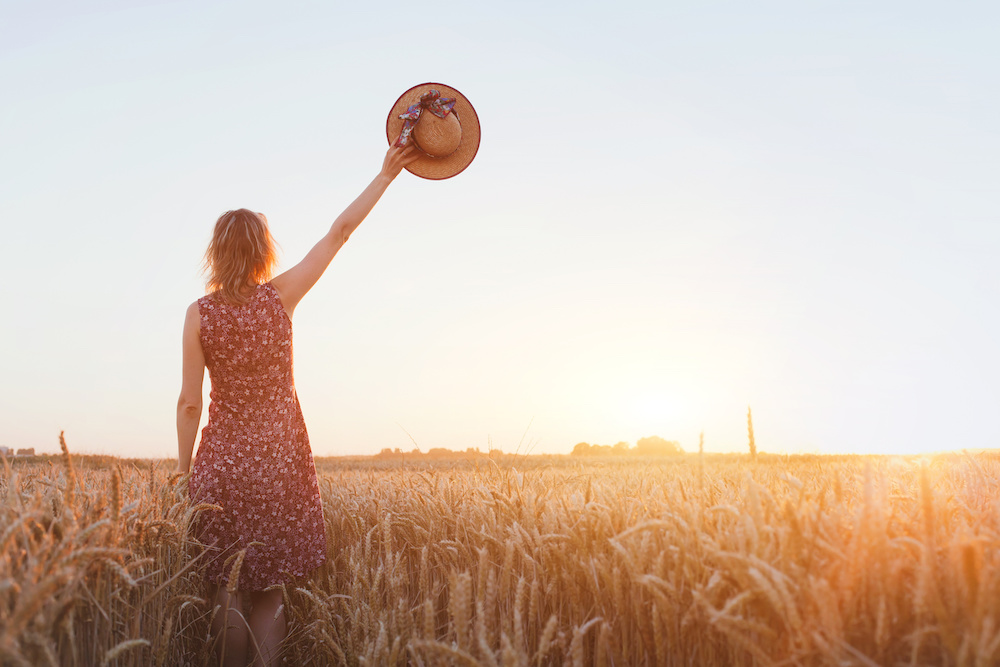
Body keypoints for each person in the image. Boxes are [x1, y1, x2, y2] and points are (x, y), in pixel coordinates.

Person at [176, 144, 418, 667]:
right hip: (280, 465)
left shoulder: (198, 315)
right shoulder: (281, 297)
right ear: (264, 251)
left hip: (222, 467)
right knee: (270, 590)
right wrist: (384, 176)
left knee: (227, 585)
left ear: (215, 254)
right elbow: (339, 233)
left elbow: (190, 404)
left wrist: (182, 472)